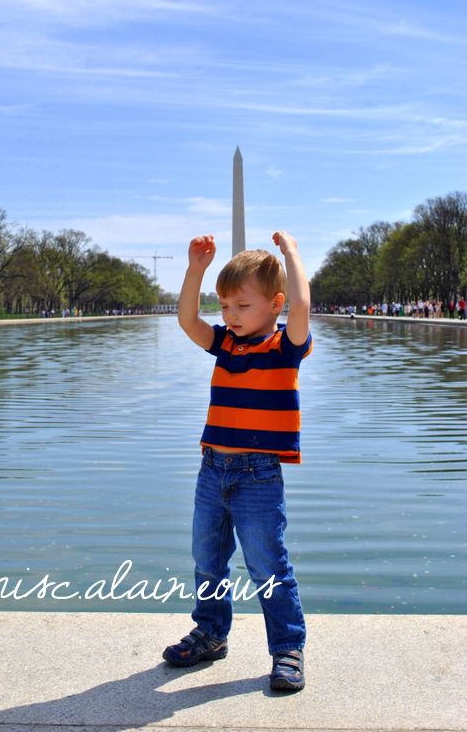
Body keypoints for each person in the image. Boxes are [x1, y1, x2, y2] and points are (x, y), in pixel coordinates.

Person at [162, 231, 312, 692]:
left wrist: (291, 254)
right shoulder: (225, 343)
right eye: (225, 306)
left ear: (274, 304)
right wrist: (195, 271)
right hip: (213, 471)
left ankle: (287, 647)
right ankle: (211, 632)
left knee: (267, 566)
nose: (231, 315)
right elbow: (188, 320)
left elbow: (303, 307)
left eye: (242, 306)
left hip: (257, 476)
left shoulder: (285, 346)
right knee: (207, 559)